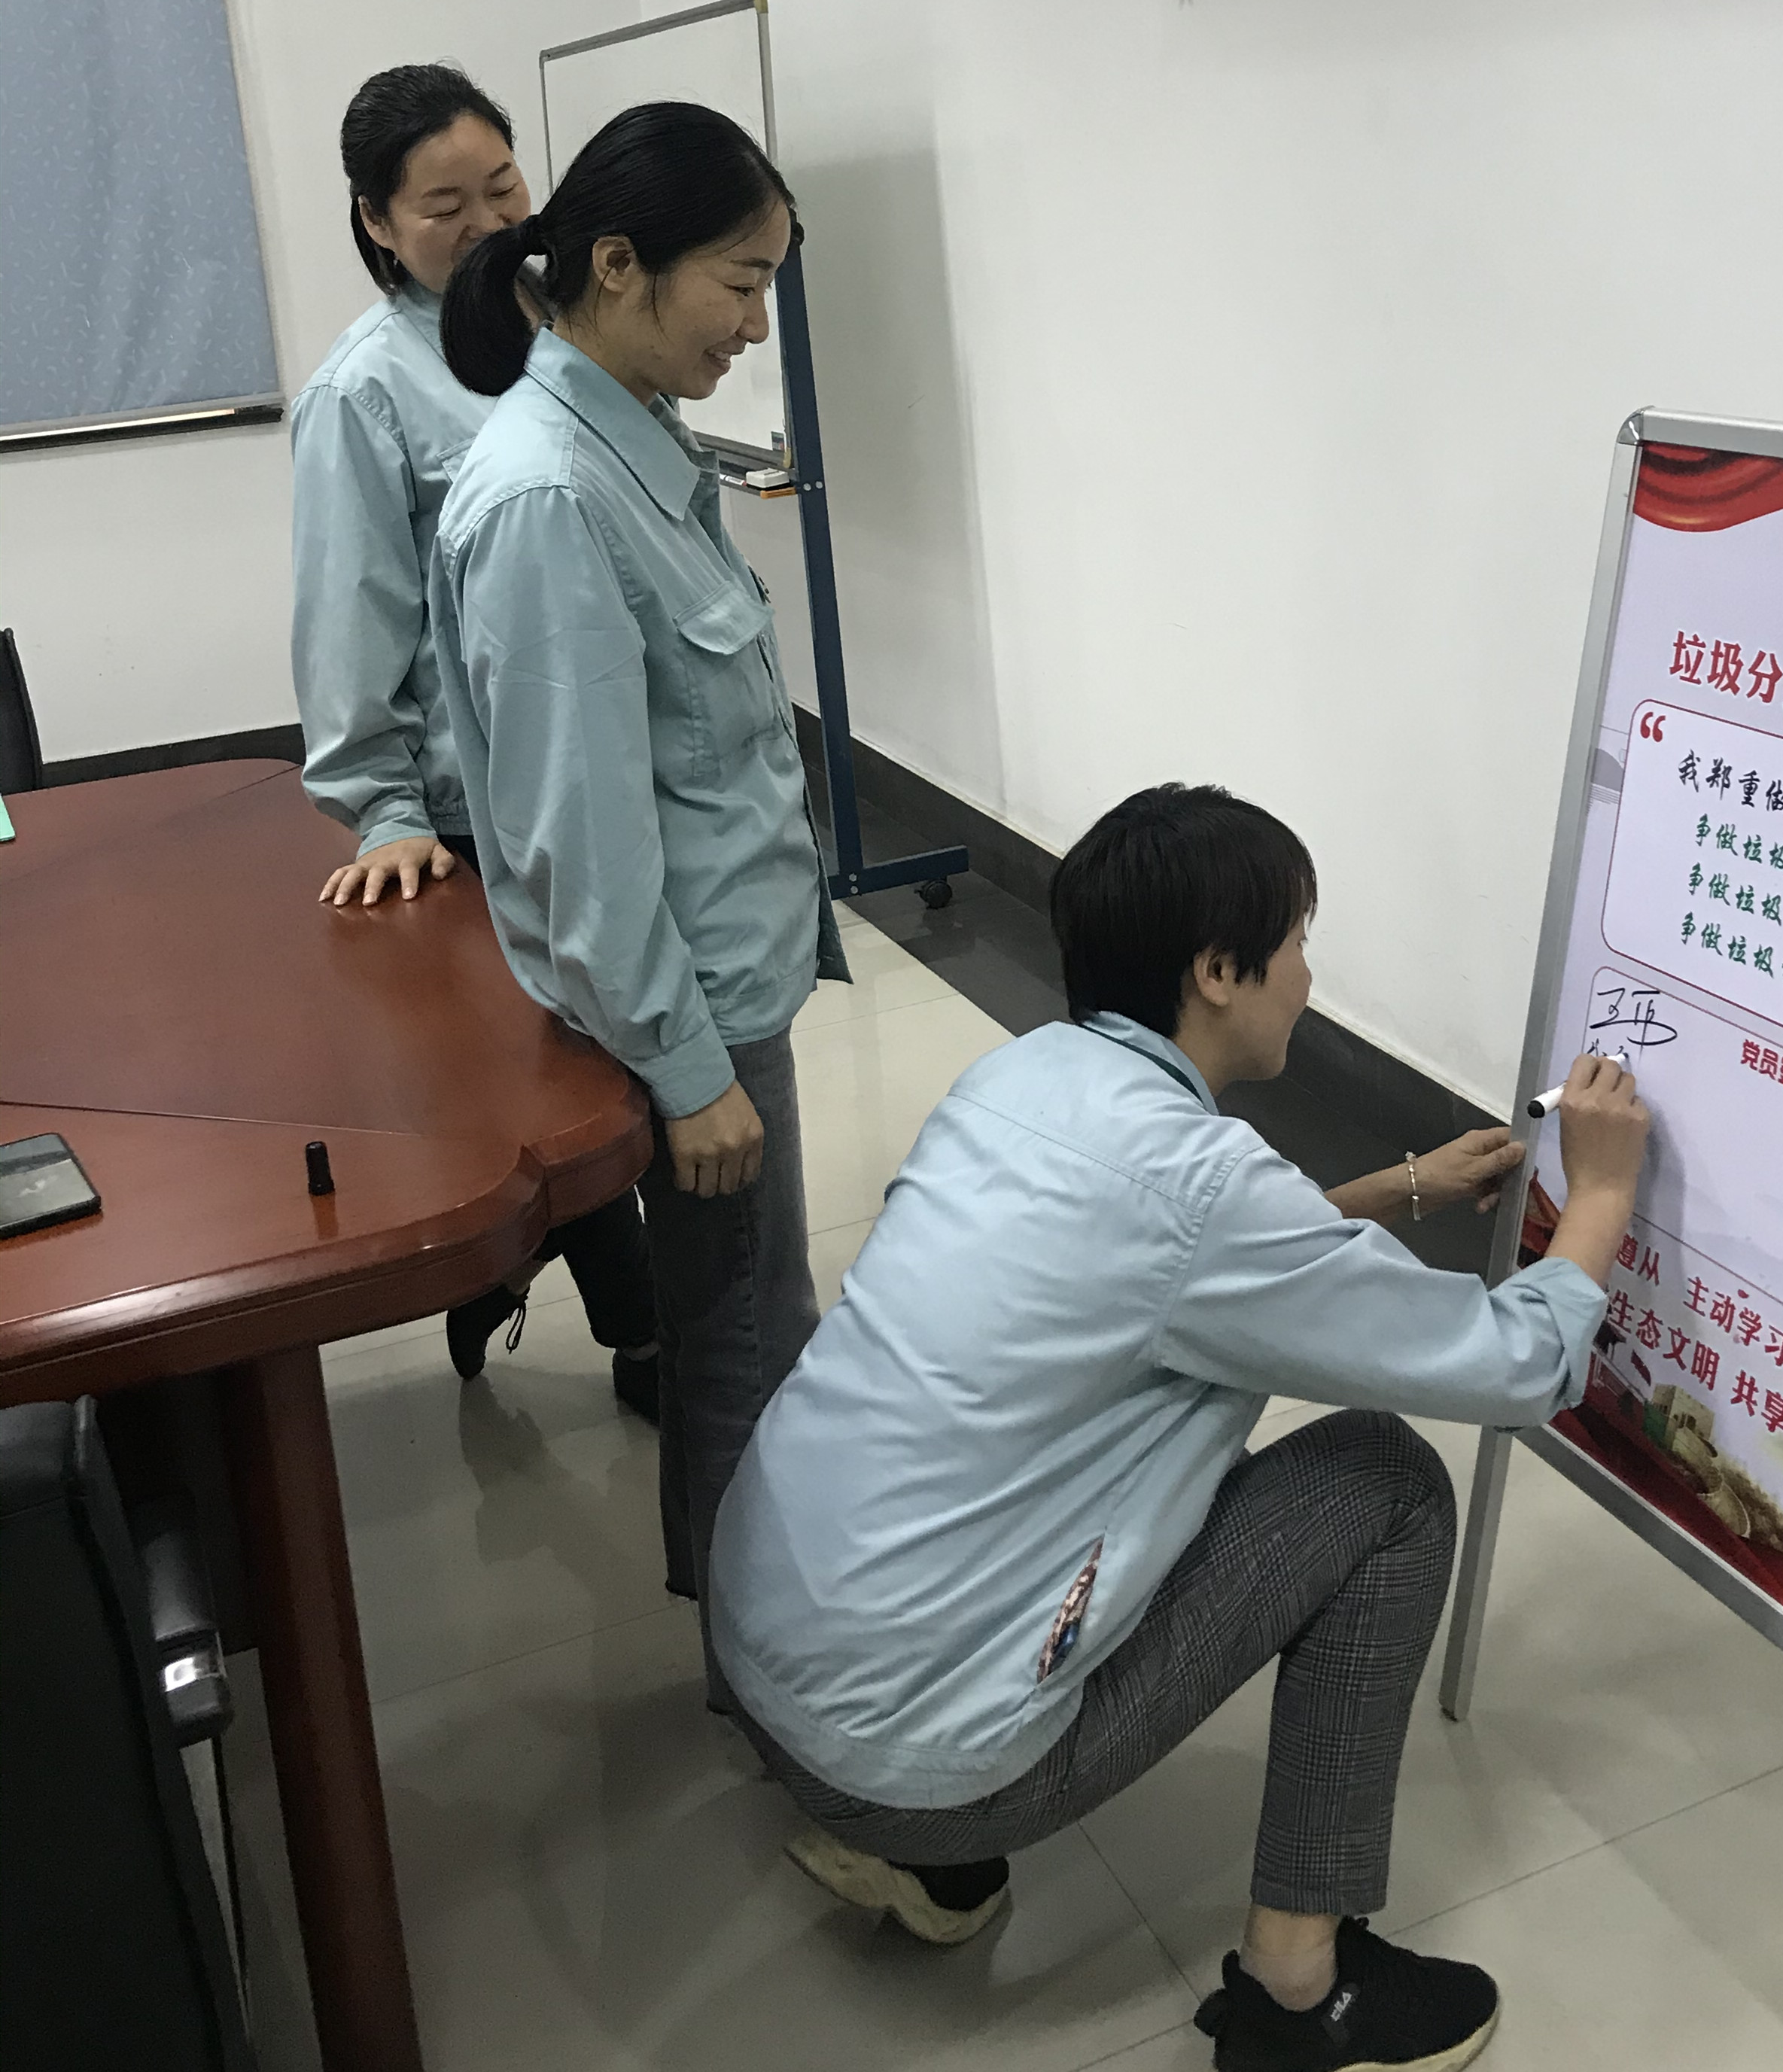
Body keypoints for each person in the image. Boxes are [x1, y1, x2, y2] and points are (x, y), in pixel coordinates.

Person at [711, 784, 1651, 2072]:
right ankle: (1299, 1987)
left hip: (771, 1667)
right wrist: (1600, 1194)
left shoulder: (1020, 1076)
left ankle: (931, 1866)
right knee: (1386, 1482)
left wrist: (1405, 1186)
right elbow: (1523, 1362)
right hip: (901, 1759)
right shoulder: (1204, 1187)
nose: (1308, 976)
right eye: (1298, 941)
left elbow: (1167, 1262)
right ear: (1218, 970)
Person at [430, 103, 849, 1704]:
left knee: (751, 1321)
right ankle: (773, 1683)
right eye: (739, 285)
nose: (755, 325)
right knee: (740, 1344)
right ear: (618, 264)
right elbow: (582, 842)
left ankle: (753, 1629)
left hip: (721, 983)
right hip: (692, 1018)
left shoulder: (629, 436)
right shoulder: (550, 497)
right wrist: (685, 1072)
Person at [289, 63, 662, 1428]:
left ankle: (531, 1273)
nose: (489, 220)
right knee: (566, 1083)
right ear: (378, 226)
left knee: (628, 1056)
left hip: (620, 765)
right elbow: (349, 631)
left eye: (504, 185)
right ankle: (647, 1339)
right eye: (443, 205)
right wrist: (385, 812)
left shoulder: (574, 317)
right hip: (481, 811)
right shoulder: (366, 391)